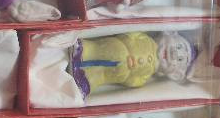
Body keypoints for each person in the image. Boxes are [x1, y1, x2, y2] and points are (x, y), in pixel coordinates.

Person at [69, 31, 198, 98]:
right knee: (96, 49)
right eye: (179, 46)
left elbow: (136, 81)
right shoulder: (146, 39)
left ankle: (85, 81)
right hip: (115, 46)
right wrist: (127, 41)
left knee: (101, 76)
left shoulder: (147, 74)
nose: (175, 53)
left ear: (174, 74)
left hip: (117, 74)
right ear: (170, 34)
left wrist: (129, 78)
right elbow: (131, 35)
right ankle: (82, 49)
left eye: (180, 59)